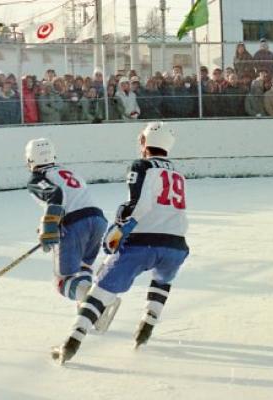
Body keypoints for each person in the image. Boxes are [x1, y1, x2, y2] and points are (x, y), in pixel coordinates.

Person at [51, 121, 189, 365]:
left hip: (143, 242)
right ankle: (146, 328)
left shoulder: (142, 165)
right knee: (162, 280)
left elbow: (139, 204)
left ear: (146, 142)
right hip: (177, 244)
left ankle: (71, 342)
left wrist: (121, 226)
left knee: (100, 290)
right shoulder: (177, 173)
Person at [25, 138, 110, 311]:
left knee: (62, 281)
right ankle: (86, 311)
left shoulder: (37, 178)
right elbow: (72, 198)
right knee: (83, 268)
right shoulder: (67, 172)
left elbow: (55, 195)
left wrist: (49, 226)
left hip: (75, 225)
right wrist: (46, 226)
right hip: (98, 220)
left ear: (29, 159)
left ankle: (95, 303)